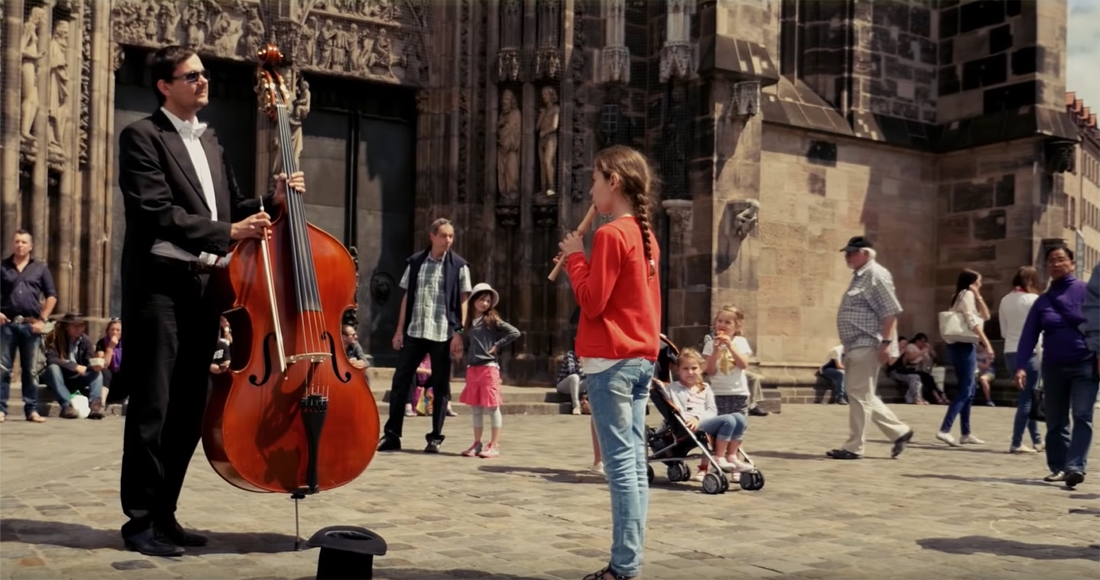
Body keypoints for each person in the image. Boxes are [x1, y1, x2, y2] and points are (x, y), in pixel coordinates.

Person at [116, 45, 306, 557]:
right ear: (164, 85)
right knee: (153, 408)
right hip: (161, 289)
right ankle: (139, 522)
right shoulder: (140, 137)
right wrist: (230, 230)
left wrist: (273, 201)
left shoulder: (213, 141)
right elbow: (157, 213)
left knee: (190, 410)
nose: (204, 82)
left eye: (204, 75)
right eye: (192, 75)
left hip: (206, 290)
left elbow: (236, 205)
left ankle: (166, 514)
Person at [558, 144, 662, 580]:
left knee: (622, 468)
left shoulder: (612, 234)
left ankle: (623, 567)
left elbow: (593, 302)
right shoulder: (646, 234)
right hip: (641, 358)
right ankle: (628, 561)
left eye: (595, 179)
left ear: (613, 182)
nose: (590, 188)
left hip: (611, 362)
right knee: (634, 466)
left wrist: (574, 258)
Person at [378, 218, 472, 454]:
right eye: (444, 235)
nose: (448, 240)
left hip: (442, 333)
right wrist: (399, 330)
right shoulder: (416, 262)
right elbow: (407, 296)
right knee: (400, 382)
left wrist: (459, 332)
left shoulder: (459, 266)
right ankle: (392, 435)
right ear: (432, 236)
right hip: (415, 330)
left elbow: (464, 300)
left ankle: (435, 438)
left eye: (451, 236)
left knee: (441, 387)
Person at [826, 236, 913, 460]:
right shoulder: (860, 277)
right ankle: (899, 431)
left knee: (858, 395)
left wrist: (886, 344)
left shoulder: (876, 275)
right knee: (861, 394)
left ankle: (855, 446)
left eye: (852, 252)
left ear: (865, 253)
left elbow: (890, 311)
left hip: (867, 342)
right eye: (846, 253)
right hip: (856, 344)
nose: (847, 256)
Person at [1024, 245, 1097, 487]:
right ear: (1046, 267)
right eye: (1051, 260)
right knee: (1055, 420)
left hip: (1085, 364)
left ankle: (1075, 466)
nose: (1056, 264)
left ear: (1072, 263)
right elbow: (1029, 334)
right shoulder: (1042, 302)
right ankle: (1058, 466)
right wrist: (1021, 365)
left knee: (1082, 415)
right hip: (1053, 367)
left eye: (1061, 259)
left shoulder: (1087, 292)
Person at [666, 348, 752, 482]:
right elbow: (676, 410)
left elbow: (712, 410)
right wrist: (692, 419)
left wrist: (699, 417)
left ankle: (731, 456)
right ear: (678, 370)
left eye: (694, 368)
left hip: (703, 421)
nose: (690, 372)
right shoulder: (673, 388)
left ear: (701, 369)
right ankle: (718, 457)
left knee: (739, 418)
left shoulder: (705, 388)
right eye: (685, 368)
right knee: (728, 420)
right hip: (686, 425)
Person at [0, 230, 58, 423]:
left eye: (24, 242)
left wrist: (42, 320)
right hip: (7, 323)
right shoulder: (3, 267)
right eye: (17, 241)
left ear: (31, 246)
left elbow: (52, 295)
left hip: (31, 325)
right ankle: (1, 409)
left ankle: (32, 410)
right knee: (3, 369)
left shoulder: (40, 268)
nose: (20, 245)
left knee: (31, 371)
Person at [458, 282, 520, 458]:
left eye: (487, 300)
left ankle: (494, 444)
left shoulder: (492, 320)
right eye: (481, 299)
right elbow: (459, 330)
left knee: (492, 407)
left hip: (488, 367)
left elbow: (514, 332)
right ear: (473, 301)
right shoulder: (469, 321)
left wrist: (497, 345)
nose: (484, 303)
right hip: (473, 368)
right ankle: (477, 443)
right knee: (476, 408)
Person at [936, 269, 993, 447]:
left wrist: (979, 295)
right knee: (966, 388)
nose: (980, 285)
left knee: (969, 389)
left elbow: (986, 316)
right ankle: (945, 430)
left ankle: (965, 432)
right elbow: (972, 321)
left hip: (960, 346)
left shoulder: (964, 295)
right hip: (963, 346)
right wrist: (987, 343)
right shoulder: (965, 294)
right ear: (971, 283)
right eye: (979, 282)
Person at [999, 266, 1043, 454]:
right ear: (1032, 281)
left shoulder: (1005, 300)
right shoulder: (1034, 300)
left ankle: (1037, 440)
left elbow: (1003, 331)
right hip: (1030, 353)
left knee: (1028, 396)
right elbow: (1041, 329)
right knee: (1027, 399)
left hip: (1010, 351)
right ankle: (1016, 442)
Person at [40, 313, 106, 420]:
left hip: (77, 376)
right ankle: (67, 406)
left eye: (81, 326)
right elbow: (51, 359)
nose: (78, 329)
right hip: (57, 376)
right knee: (53, 368)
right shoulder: (54, 338)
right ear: (67, 327)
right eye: (75, 326)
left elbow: (88, 361)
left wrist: (94, 365)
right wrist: (74, 366)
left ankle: (95, 405)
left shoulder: (85, 340)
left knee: (97, 374)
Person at [701, 306, 754, 417]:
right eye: (719, 321)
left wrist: (730, 346)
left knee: (737, 425)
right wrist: (715, 350)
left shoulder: (740, 342)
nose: (722, 325)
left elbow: (743, 365)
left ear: (737, 326)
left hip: (738, 392)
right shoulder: (709, 345)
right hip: (717, 392)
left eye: (727, 322)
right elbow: (710, 371)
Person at [95, 318, 125, 403]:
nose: (114, 332)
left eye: (118, 330)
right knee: (105, 372)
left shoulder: (127, 342)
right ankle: (102, 403)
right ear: (108, 331)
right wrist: (110, 347)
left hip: (122, 379)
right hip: (108, 381)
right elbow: (104, 365)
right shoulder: (102, 342)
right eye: (112, 329)